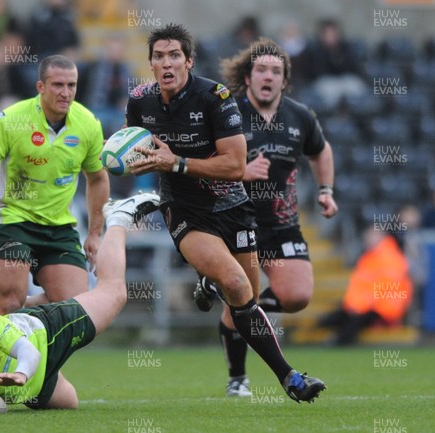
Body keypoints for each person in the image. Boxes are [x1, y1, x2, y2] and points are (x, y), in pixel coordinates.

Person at [126, 23, 325, 403]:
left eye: (174, 56)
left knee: (243, 299)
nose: (166, 63)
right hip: (185, 210)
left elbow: (235, 165)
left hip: (232, 207)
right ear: (150, 63)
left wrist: (176, 163)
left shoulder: (214, 97)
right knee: (235, 285)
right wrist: (123, 160)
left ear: (189, 60)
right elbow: (134, 148)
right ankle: (290, 379)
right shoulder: (139, 101)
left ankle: (209, 287)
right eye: (158, 56)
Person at [0, 193, 160, 414]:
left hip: (46, 332)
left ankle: (119, 217)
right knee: (69, 403)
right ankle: (48, 306)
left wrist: (21, 374)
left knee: (115, 293)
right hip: (33, 385)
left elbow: (27, 352)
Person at [192, 38, 338, 397]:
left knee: (298, 296)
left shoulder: (300, 116)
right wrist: (240, 172)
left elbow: (321, 151)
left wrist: (325, 191)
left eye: (276, 71)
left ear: (285, 80)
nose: (268, 76)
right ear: (248, 75)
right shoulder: (228, 112)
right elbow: (200, 166)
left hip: (282, 224)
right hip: (235, 222)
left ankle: (240, 307)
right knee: (243, 298)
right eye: (262, 70)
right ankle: (237, 379)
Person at [0, 54, 110, 315]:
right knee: (10, 302)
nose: (66, 93)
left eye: (72, 85)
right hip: (14, 221)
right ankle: (0, 329)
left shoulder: (88, 124)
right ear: (41, 87)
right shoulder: (11, 119)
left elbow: (98, 178)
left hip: (58, 227)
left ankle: (20, 311)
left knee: (75, 309)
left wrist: (94, 233)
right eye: (58, 85)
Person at [317, 227, 413, 346]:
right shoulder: (368, 258)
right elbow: (360, 287)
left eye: (372, 235)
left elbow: (386, 290)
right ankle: (320, 338)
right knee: (332, 318)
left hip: (384, 308)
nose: (368, 239)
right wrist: (354, 306)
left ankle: (338, 342)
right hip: (365, 306)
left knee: (356, 321)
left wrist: (359, 307)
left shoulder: (391, 258)